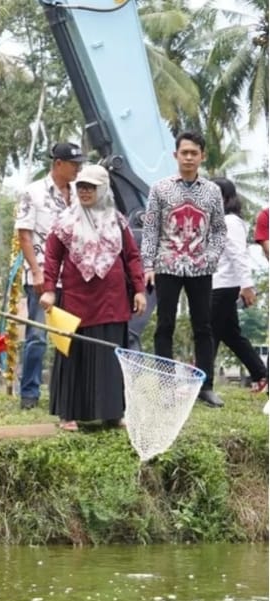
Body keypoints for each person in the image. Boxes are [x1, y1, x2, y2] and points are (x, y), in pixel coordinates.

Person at [40, 164, 146, 430]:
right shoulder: (65, 222)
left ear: (103, 189)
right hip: (77, 298)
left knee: (110, 354)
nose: (85, 192)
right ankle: (69, 415)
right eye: (81, 187)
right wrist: (50, 290)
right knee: (74, 354)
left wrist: (140, 290)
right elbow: (52, 257)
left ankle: (112, 413)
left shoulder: (118, 221)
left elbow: (132, 257)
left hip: (112, 299)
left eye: (91, 187)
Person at [141, 131, 227, 408]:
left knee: (203, 326)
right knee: (164, 325)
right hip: (167, 264)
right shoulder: (160, 188)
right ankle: (165, 385)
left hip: (201, 268)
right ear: (175, 155)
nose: (189, 157)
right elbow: (151, 228)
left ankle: (206, 386)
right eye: (184, 152)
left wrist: (211, 258)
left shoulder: (212, 191)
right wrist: (148, 265)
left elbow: (218, 230)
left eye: (194, 153)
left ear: (202, 156)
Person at [14, 141, 85, 410]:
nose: (78, 169)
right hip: (42, 274)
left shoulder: (80, 193)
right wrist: (36, 271)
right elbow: (24, 234)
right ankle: (29, 394)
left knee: (69, 336)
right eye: (74, 164)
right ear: (58, 164)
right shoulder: (33, 192)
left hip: (74, 277)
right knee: (37, 336)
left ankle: (65, 392)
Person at [210, 178, 268, 393]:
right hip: (217, 283)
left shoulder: (230, 222)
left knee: (209, 333)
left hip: (224, 285)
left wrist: (247, 285)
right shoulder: (216, 221)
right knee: (230, 334)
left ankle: (200, 382)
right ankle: (262, 374)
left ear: (225, 198)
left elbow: (238, 255)